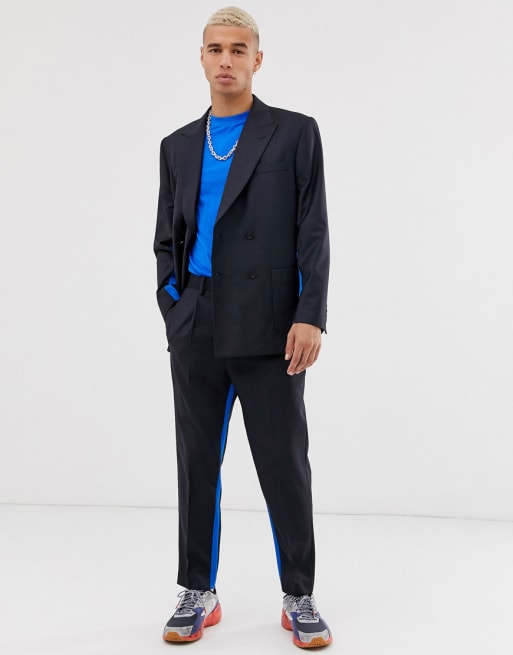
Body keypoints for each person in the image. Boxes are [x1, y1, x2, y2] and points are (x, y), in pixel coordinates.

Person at [153, 6, 331, 649]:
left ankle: (299, 595)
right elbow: (166, 239)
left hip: (270, 325)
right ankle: (197, 590)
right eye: (214, 49)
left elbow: (313, 229)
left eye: (237, 49)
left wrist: (309, 314)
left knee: (284, 463)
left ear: (257, 59)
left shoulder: (294, 133)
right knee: (196, 463)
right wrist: (174, 306)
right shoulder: (177, 144)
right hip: (197, 322)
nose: (225, 59)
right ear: (201, 58)